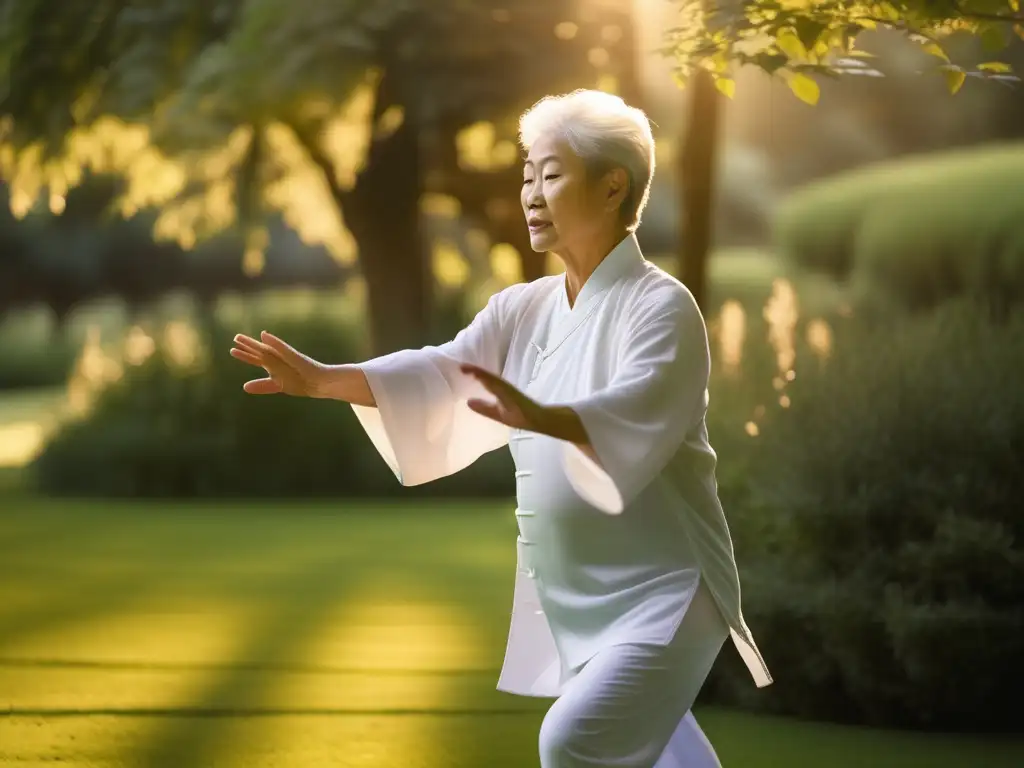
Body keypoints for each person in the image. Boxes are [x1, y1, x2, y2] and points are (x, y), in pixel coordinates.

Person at [230, 89, 771, 768]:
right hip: (578, 597)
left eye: (551, 174)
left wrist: (546, 417)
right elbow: (442, 373)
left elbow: (642, 407)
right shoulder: (524, 310)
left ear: (612, 188)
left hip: (665, 593)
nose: (531, 193)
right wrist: (327, 379)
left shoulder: (662, 308)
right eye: (527, 175)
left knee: (573, 741)